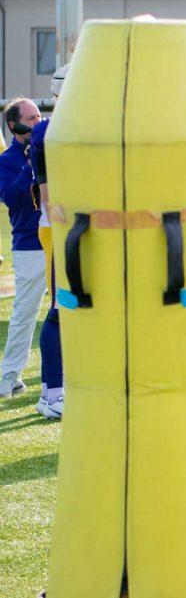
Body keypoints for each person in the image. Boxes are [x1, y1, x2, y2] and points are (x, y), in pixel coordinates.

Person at [27, 66, 69, 418]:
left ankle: (68, 383)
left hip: (83, 229)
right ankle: (51, 392)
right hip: (60, 229)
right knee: (60, 308)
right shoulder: (49, 132)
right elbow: (49, 195)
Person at [0, 98, 46, 400]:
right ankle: (8, 376)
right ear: (14, 125)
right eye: (31, 119)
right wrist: (30, 165)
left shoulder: (54, 150)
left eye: (40, 116)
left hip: (64, 236)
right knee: (25, 314)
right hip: (30, 244)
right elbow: (11, 198)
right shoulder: (6, 162)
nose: (38, 123)